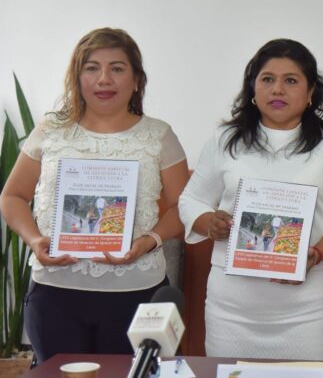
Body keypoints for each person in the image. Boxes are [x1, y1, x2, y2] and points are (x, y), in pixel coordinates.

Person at [0, 28, 190, 362]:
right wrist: (34, 239)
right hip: (55, 293)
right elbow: (12, 196)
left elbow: (182, 207)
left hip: (136, 292)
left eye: (117, 68)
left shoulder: (159, 135)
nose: (104, 79)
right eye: (92, 68)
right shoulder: (50, 130)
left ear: (136, 80)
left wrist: (148, 242)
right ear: (77, 77)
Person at [178, 38, 323, 360]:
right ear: (253, 88)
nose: (277, 89)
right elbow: (190, 201)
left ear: (310, 92)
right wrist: (209, 222)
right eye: (267, 79)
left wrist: (316, 252)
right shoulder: (225, 139)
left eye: (291, 80)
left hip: (307, 309)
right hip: (231, 309)